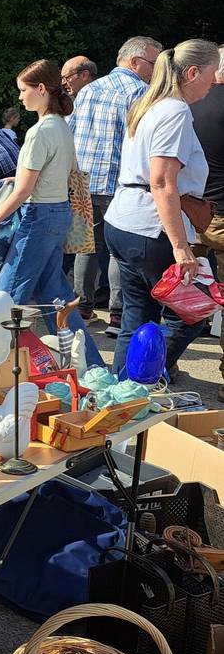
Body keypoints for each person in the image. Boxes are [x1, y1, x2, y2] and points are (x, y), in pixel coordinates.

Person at [105, 39, 220, 380]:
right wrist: (181, 247)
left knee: (136, 318)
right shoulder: (175, 111)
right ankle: (141, 377)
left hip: (125, 221)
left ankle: (122, 393)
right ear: (193, 73)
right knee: (192, 313)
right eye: (212, 73)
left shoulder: (150, 105)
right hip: (150, 228)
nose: (214, 82)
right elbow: (161, 181)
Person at [0, 59, 104, 368]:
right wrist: (20, 178)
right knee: (56, 296)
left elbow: (24, 191)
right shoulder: (61, 126)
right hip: (57, 213)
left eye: (24, 90)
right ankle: (91, 366)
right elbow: (58, 173)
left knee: (5, 297)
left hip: (38, 216)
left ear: (42, 89)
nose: (20, 97)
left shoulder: (39, 132)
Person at [70, 36, 162, 333]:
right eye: (154, 63)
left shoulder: (88, 90)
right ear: (135, 62)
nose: (156, 69)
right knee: (117, 253)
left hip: (82, 180)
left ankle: (81, 308)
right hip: (116, 180)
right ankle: (118, 315)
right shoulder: (141, 92)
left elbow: (71, 131)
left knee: (85, 246)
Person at [192, 46, 224, 394]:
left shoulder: (187, 104)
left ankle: (163, 362)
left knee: (179, 290)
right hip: (222, 214)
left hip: (188, 210)